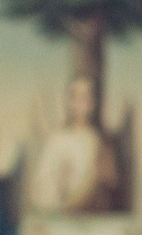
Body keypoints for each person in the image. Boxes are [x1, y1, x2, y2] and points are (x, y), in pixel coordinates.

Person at [32, 72, 122, 215]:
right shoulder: (58, 140)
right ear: (70, 102)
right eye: (77, 97)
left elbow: (112, 185)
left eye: (86, 97)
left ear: (93, 103)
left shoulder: (101, 142)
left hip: (95, 218)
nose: (82, 103)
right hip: (64, 216)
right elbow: (44, 185)